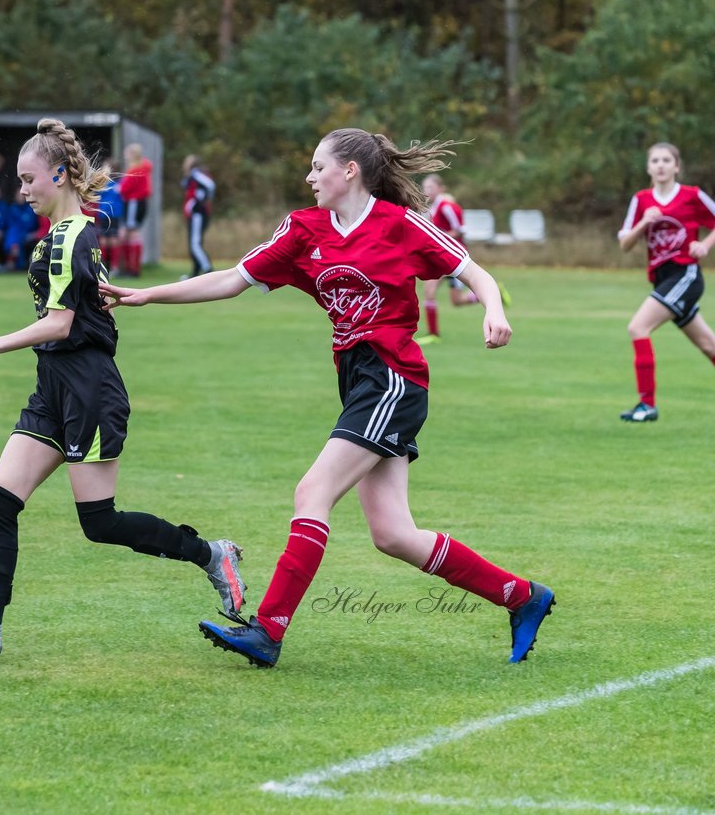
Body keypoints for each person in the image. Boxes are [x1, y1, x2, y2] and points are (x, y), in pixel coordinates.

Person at [100, 128, 554, 668]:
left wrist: (493, 310)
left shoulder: (398, 223)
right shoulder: (303, 229)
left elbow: (471, 270)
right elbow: (231, 279)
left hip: (393, 379)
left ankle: (267, 633)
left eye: (318, 167)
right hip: (360, 382)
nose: (310, 177)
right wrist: (148, 295)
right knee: (393, 534)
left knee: (311, 493)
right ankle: (522, 596)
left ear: (350, 172)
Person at [0, 118, 247, 658]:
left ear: (58, 174)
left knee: (99, 523)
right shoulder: (61, 234)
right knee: (0, 500)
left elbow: (60, 324)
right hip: (53, 385)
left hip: (88, 389)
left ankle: (211, 555)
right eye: (20, 181)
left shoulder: (72, 234)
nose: (22, 191)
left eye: (29, 180)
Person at [617, 142, 715, 423]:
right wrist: (643, 224)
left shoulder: (692, 195)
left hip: (686, 275)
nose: (660, 165)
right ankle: (646, 406)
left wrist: (705, 245)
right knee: (709, 345)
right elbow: (624, 244)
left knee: (638, 327)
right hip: (662, 280)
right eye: (655, 161)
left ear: (676, 166)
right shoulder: (641, 200)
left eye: (666, 160)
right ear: (648, 167)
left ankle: (646, 405)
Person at [414, 174, 511, 345]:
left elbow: (460, 230)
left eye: (430, 187)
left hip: (452, 257)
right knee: (457, 301)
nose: (426, 191)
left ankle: (433, 334)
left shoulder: (447, 206)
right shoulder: (431, 208)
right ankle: (496, 294)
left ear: (441, 189)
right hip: (440, 256)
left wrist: (437, 236)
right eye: (425, 187)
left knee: (429, 290)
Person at [119, 143, 153, 277]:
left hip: (134, 203)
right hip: (136, 203)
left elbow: (124, 188)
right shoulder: (142, 167)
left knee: (132, 235)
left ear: (133, 154)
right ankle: (131, 269)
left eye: (127, 153)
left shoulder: (136, 170)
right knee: (130, 235)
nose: (125, 156)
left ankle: (133, 270)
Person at [180, 154, 215, 279]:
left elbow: (210, 185)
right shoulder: (191, 176)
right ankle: (195, 274)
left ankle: (209, 271)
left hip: (198, 214)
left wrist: (201, 201)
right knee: (193, 245)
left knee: (195, 244)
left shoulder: (196, 173)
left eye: (187, 161)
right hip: (194, 214)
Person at [95, 164, 124, 275]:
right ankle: (111, 267)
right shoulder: (118, 185)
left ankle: (106, 266)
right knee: (111, 240)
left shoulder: (104, 185)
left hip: (106, 214)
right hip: (112, 214)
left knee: (106, 240)